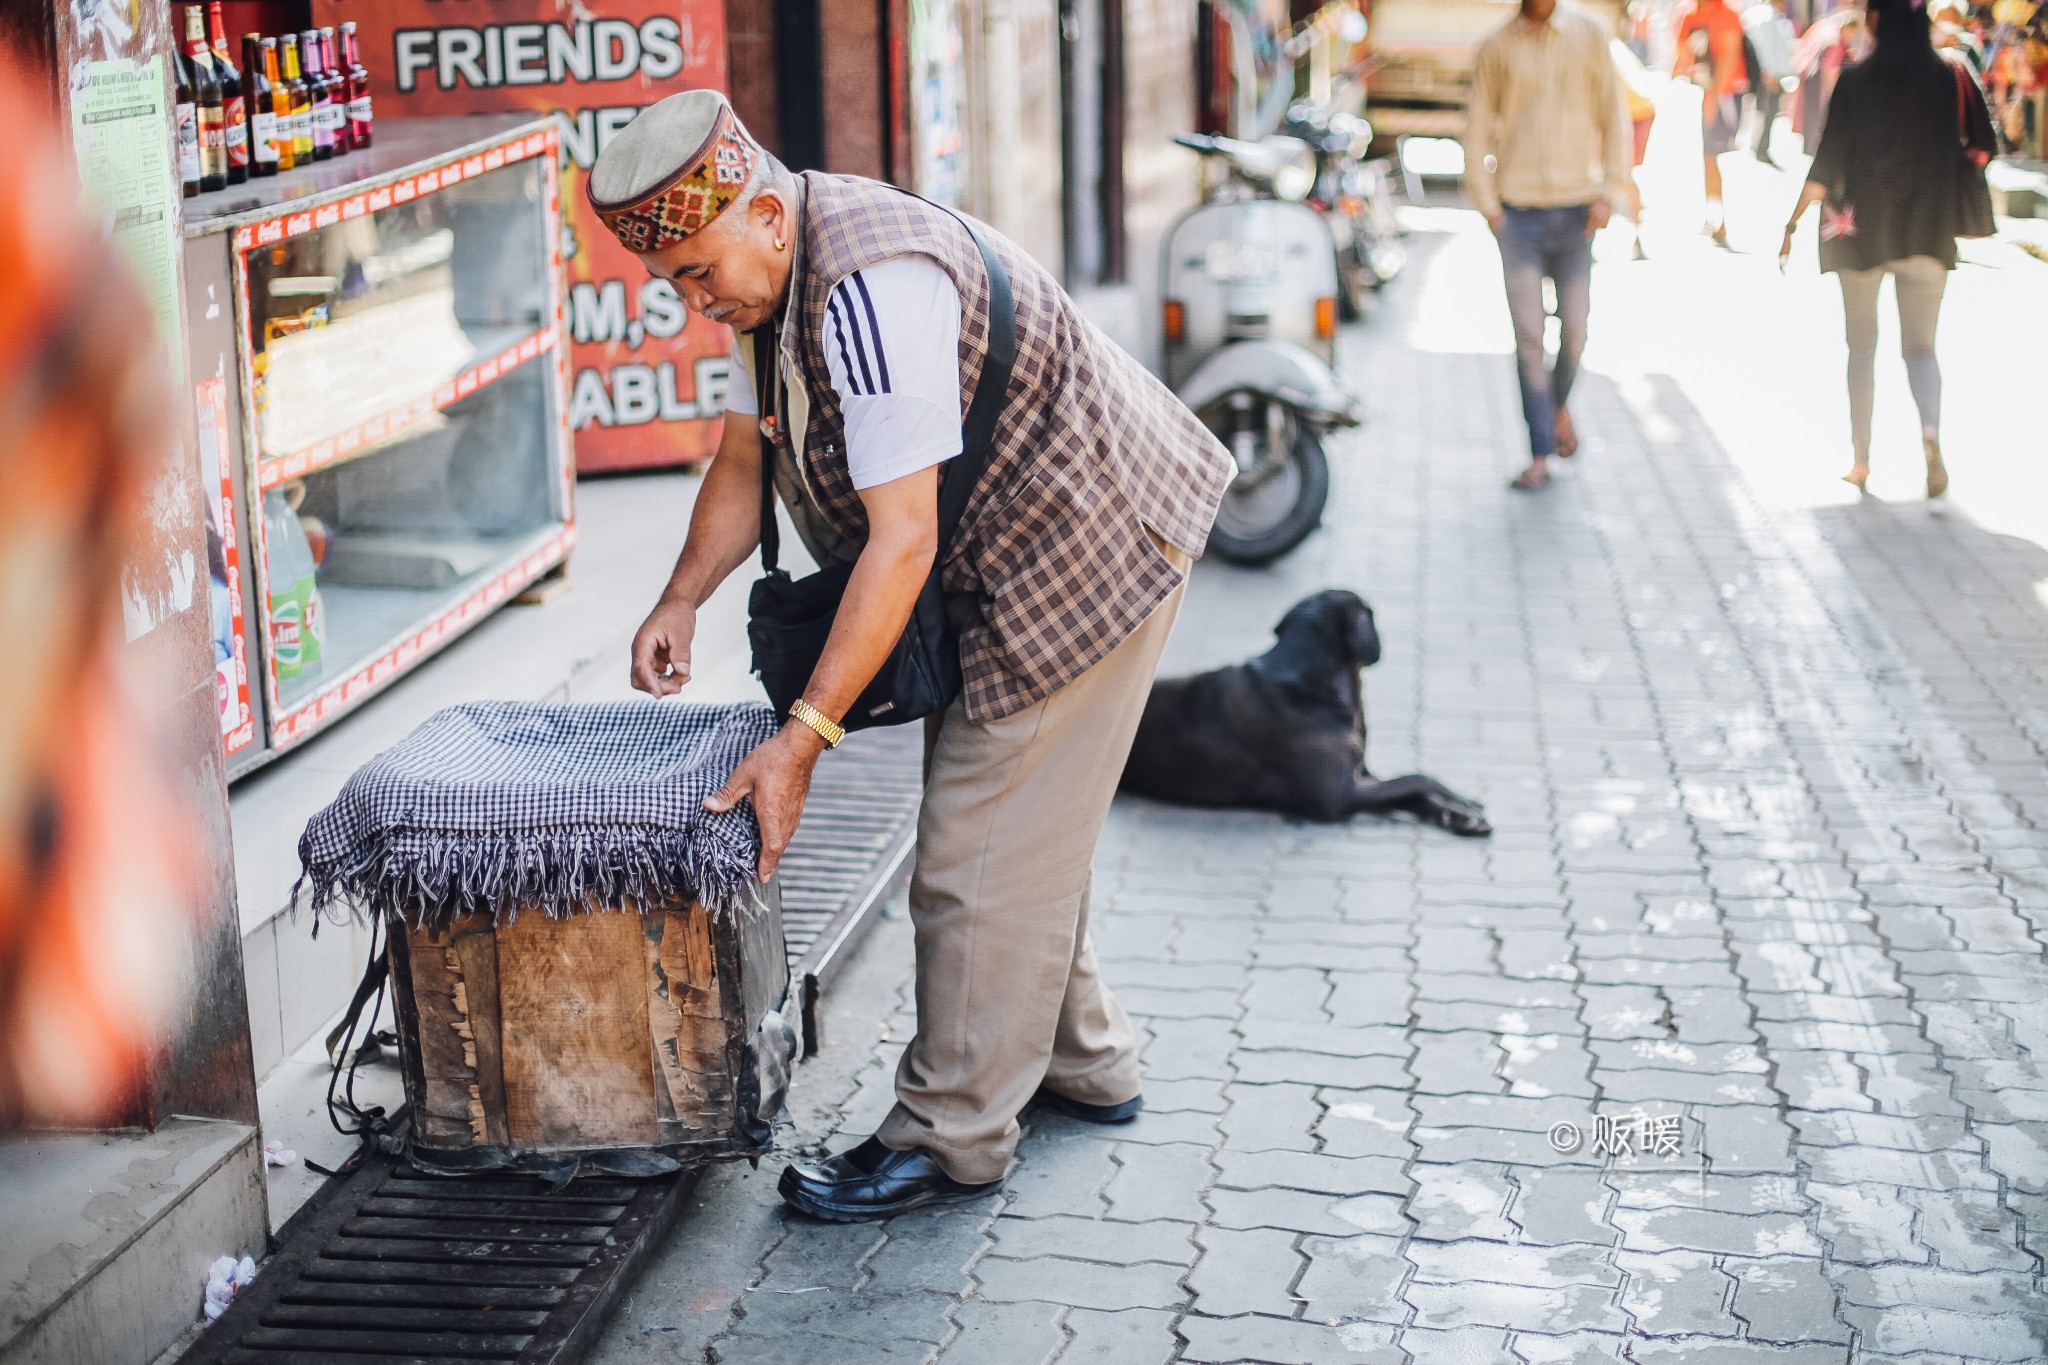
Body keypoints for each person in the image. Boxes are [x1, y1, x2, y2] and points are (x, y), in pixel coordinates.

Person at [587, 91, 1233, 1221]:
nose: (696, 305)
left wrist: (804, 739)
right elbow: (746, 458)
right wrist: (680, 597)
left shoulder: (872, 292)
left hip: (1091, 544)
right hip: (1011, 552)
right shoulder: (766, 281)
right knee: (1019, 837)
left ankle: (949, 1134)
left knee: (970, 852)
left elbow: (902, 542)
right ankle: (1084, 1065)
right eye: (675, 285)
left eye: (698, 273)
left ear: (764, 216)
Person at [1781, 0, 1996, 496]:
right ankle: (1930, 434)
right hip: (1929, 232)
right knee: (1921, 349)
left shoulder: (1855, 81)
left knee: (1861, 347)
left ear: (1875, 21)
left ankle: (1861, 460)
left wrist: (1792, 222)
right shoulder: (1947, 77)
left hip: (1860, 234)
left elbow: (1825, 165)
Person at [1464, 0, 1633, 491]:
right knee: (1530, 339)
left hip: (1578, 211)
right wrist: (1488, 204)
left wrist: (1610, 192)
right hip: (1518, 215)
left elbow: (1613, 116)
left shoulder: (1591, 34)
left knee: (1576, 331)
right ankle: (1539, 450)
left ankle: (1557, 407)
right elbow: (1476, 128)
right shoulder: (1497, 45)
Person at [1675, 0, 1752, 244]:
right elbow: (1683, 52)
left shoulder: (1726, 14)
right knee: (1706, 158)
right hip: (1700, 92)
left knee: (1717, 157)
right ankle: (1713, 215)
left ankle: (1722, 218)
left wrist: (1713, 99)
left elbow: (1729, 57)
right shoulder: (1687, 13)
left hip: (1725, 96)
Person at [1745, 0, 1798, 164]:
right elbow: (1764, 47)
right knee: (1766, 112)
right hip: (1770, 75)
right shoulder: (1766, 17)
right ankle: (1760, 148)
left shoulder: (1772, 17)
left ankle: (1759, 146)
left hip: (1773, 73)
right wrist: (1769, 72)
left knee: (1766, 111)